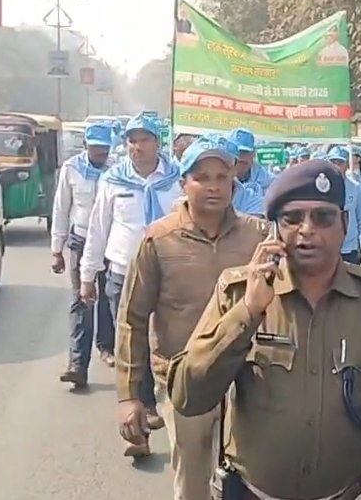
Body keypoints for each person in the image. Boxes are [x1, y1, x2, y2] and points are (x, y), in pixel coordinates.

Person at [166, 160, 361, 500]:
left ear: (344, 225)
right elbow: (188, 396)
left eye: (323, 217)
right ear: (274, 230)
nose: (307, 229)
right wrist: (247, 313)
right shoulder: (238, 293)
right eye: (292, 218)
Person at [116, 135, 267, 500]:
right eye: (202, 177)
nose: (214, 186)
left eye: (222, 176)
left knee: (252, 481)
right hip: (184, 380)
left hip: (247, 380)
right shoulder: (159, 240)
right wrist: (129, 396)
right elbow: (132, 319)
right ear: (184, 182)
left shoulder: (258, 237)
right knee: (193, 482)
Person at [80, 113, 183, 457]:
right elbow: (98, 229)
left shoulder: (178, 179)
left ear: (157, 143)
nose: (137, 147)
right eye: (132, 141)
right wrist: (87, 275)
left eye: (144, 140)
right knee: (131, 347)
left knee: (164, 347)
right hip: (123, 274)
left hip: (168, 274)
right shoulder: (112, 180)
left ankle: (165, 408)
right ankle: (137, 428)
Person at [51, 122, 116, 386]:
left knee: (109, 299)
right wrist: (57, 249)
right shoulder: (71, 169)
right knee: (81, 300)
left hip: (110, 243)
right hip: (81, 239)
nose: (101, 153)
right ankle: (77, 363)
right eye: (96, 148)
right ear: (86, 145)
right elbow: (61, 208)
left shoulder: (116, 171)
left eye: (105, 149)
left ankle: (107, 346)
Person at [327, 146, 361, 264]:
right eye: (333, 162)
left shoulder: (355, 188)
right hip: (327, 248)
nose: (336, 166)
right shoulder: (322, 187)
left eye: (340, 163)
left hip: (349, 249)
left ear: (347, 165)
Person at [227, 128, 273, 216]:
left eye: (245, 152)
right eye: (236, 152)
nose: (240, 157)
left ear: (253, 153)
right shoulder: (218, 182)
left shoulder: (270, 184)